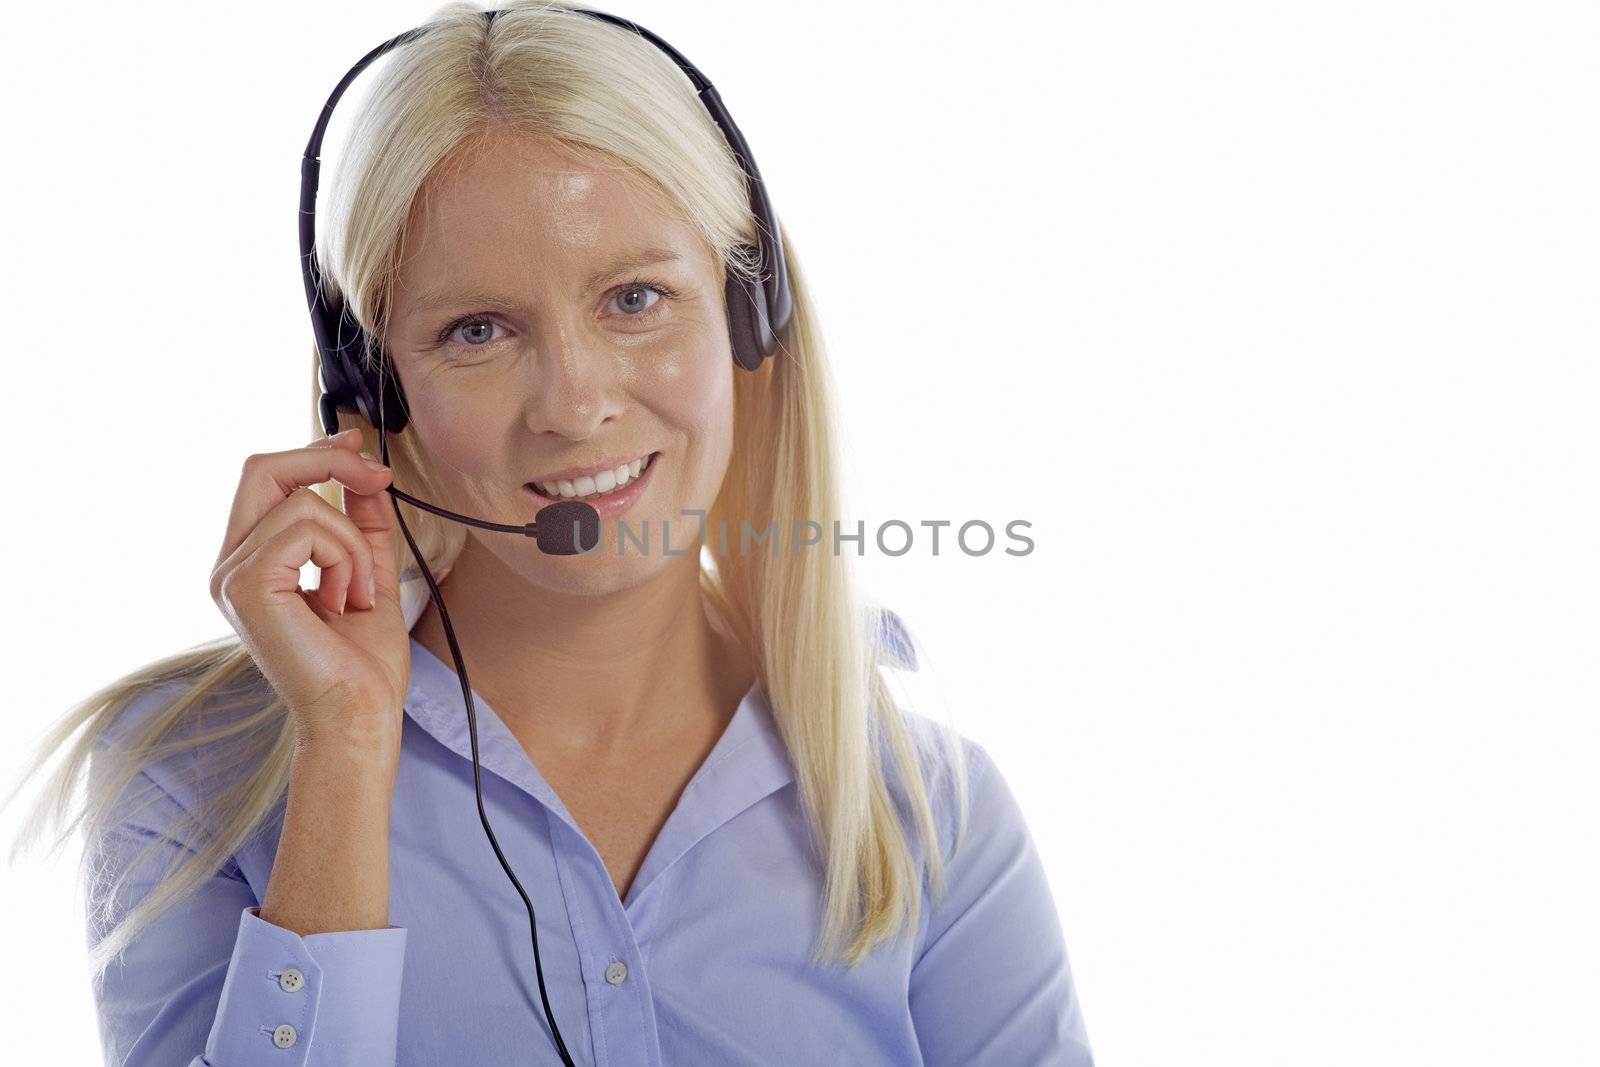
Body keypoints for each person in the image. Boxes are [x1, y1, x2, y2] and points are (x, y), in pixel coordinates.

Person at [7, 2, 1094, 1063]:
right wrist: (343, 749)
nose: (573, 404)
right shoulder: (193, 772)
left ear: (746, 317)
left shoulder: (927, 812)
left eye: (633, 298)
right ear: (373, 389)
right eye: (476, 329)